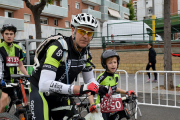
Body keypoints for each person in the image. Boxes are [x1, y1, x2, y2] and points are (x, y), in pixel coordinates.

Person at [29, 13, 108, 120]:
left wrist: (100, 88)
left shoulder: (86, 54)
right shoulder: (58, 48)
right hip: (40, 90)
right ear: (73, 30)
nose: (85, 36)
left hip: (60, 92)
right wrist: (79, 88)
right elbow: (44, 84)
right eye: (82, 31)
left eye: (89, 33)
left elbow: (89, 79)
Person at [95, 49, 135, 120]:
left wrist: (126, 92)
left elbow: (115, 88)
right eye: (110, 63)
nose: (113, 65)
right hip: (102, 106)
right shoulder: (102, 77)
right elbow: (92, 89)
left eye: (115, 62)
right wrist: (92, 104)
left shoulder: (116, 76)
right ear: (105, 64)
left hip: (113, 104)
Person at [0, 23, 28, 119]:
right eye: (6, 33)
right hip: (2, 82)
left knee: (20, 108)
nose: (9, 36)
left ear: (14, 35)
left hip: (15, 82)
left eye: (11, 34)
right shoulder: (0, 48)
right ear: (2, 34)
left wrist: (28, 76)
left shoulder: (18, 48)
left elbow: (20, 66)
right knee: (3, 104)